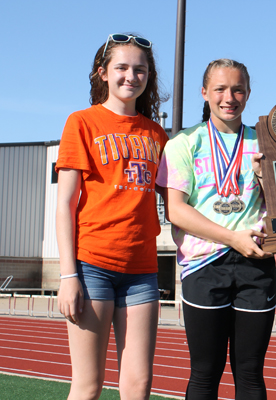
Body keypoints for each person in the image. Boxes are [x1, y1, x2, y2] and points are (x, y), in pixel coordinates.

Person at [56, 33, 168, 399]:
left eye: (140, 70)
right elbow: (65, 205)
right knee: (88, 385)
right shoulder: (81, 122)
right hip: (92, 266)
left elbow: (183, 196)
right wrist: (68, 275)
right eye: (121, 67)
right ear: (102, 73)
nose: (130, 76)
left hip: (142, 269)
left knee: (139, 385)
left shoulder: (156, 133)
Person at [156, 59, 276, 400]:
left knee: (251, 374)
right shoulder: (183, 143)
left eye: (238, 89)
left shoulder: (264, 143)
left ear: (248, 93)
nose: (229, 97)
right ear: (205, 92)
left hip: (256, 264)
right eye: (220, 89)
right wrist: (231, 238)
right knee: (205, 374)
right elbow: (176, 211)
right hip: (204, 265)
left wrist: (266, 183)